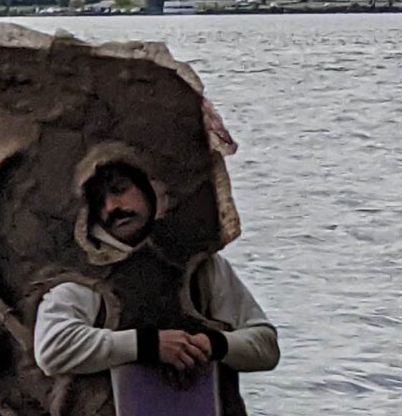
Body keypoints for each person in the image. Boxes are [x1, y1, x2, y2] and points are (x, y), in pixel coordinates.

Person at [33, 161, 280, 385]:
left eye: (120, 190)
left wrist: (212, 344)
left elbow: (265, 346)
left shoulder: (199, 266)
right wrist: (150, 345)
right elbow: (52, 349)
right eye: (98, 201)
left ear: (148, 190)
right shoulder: (86, 276)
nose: (111, 207)